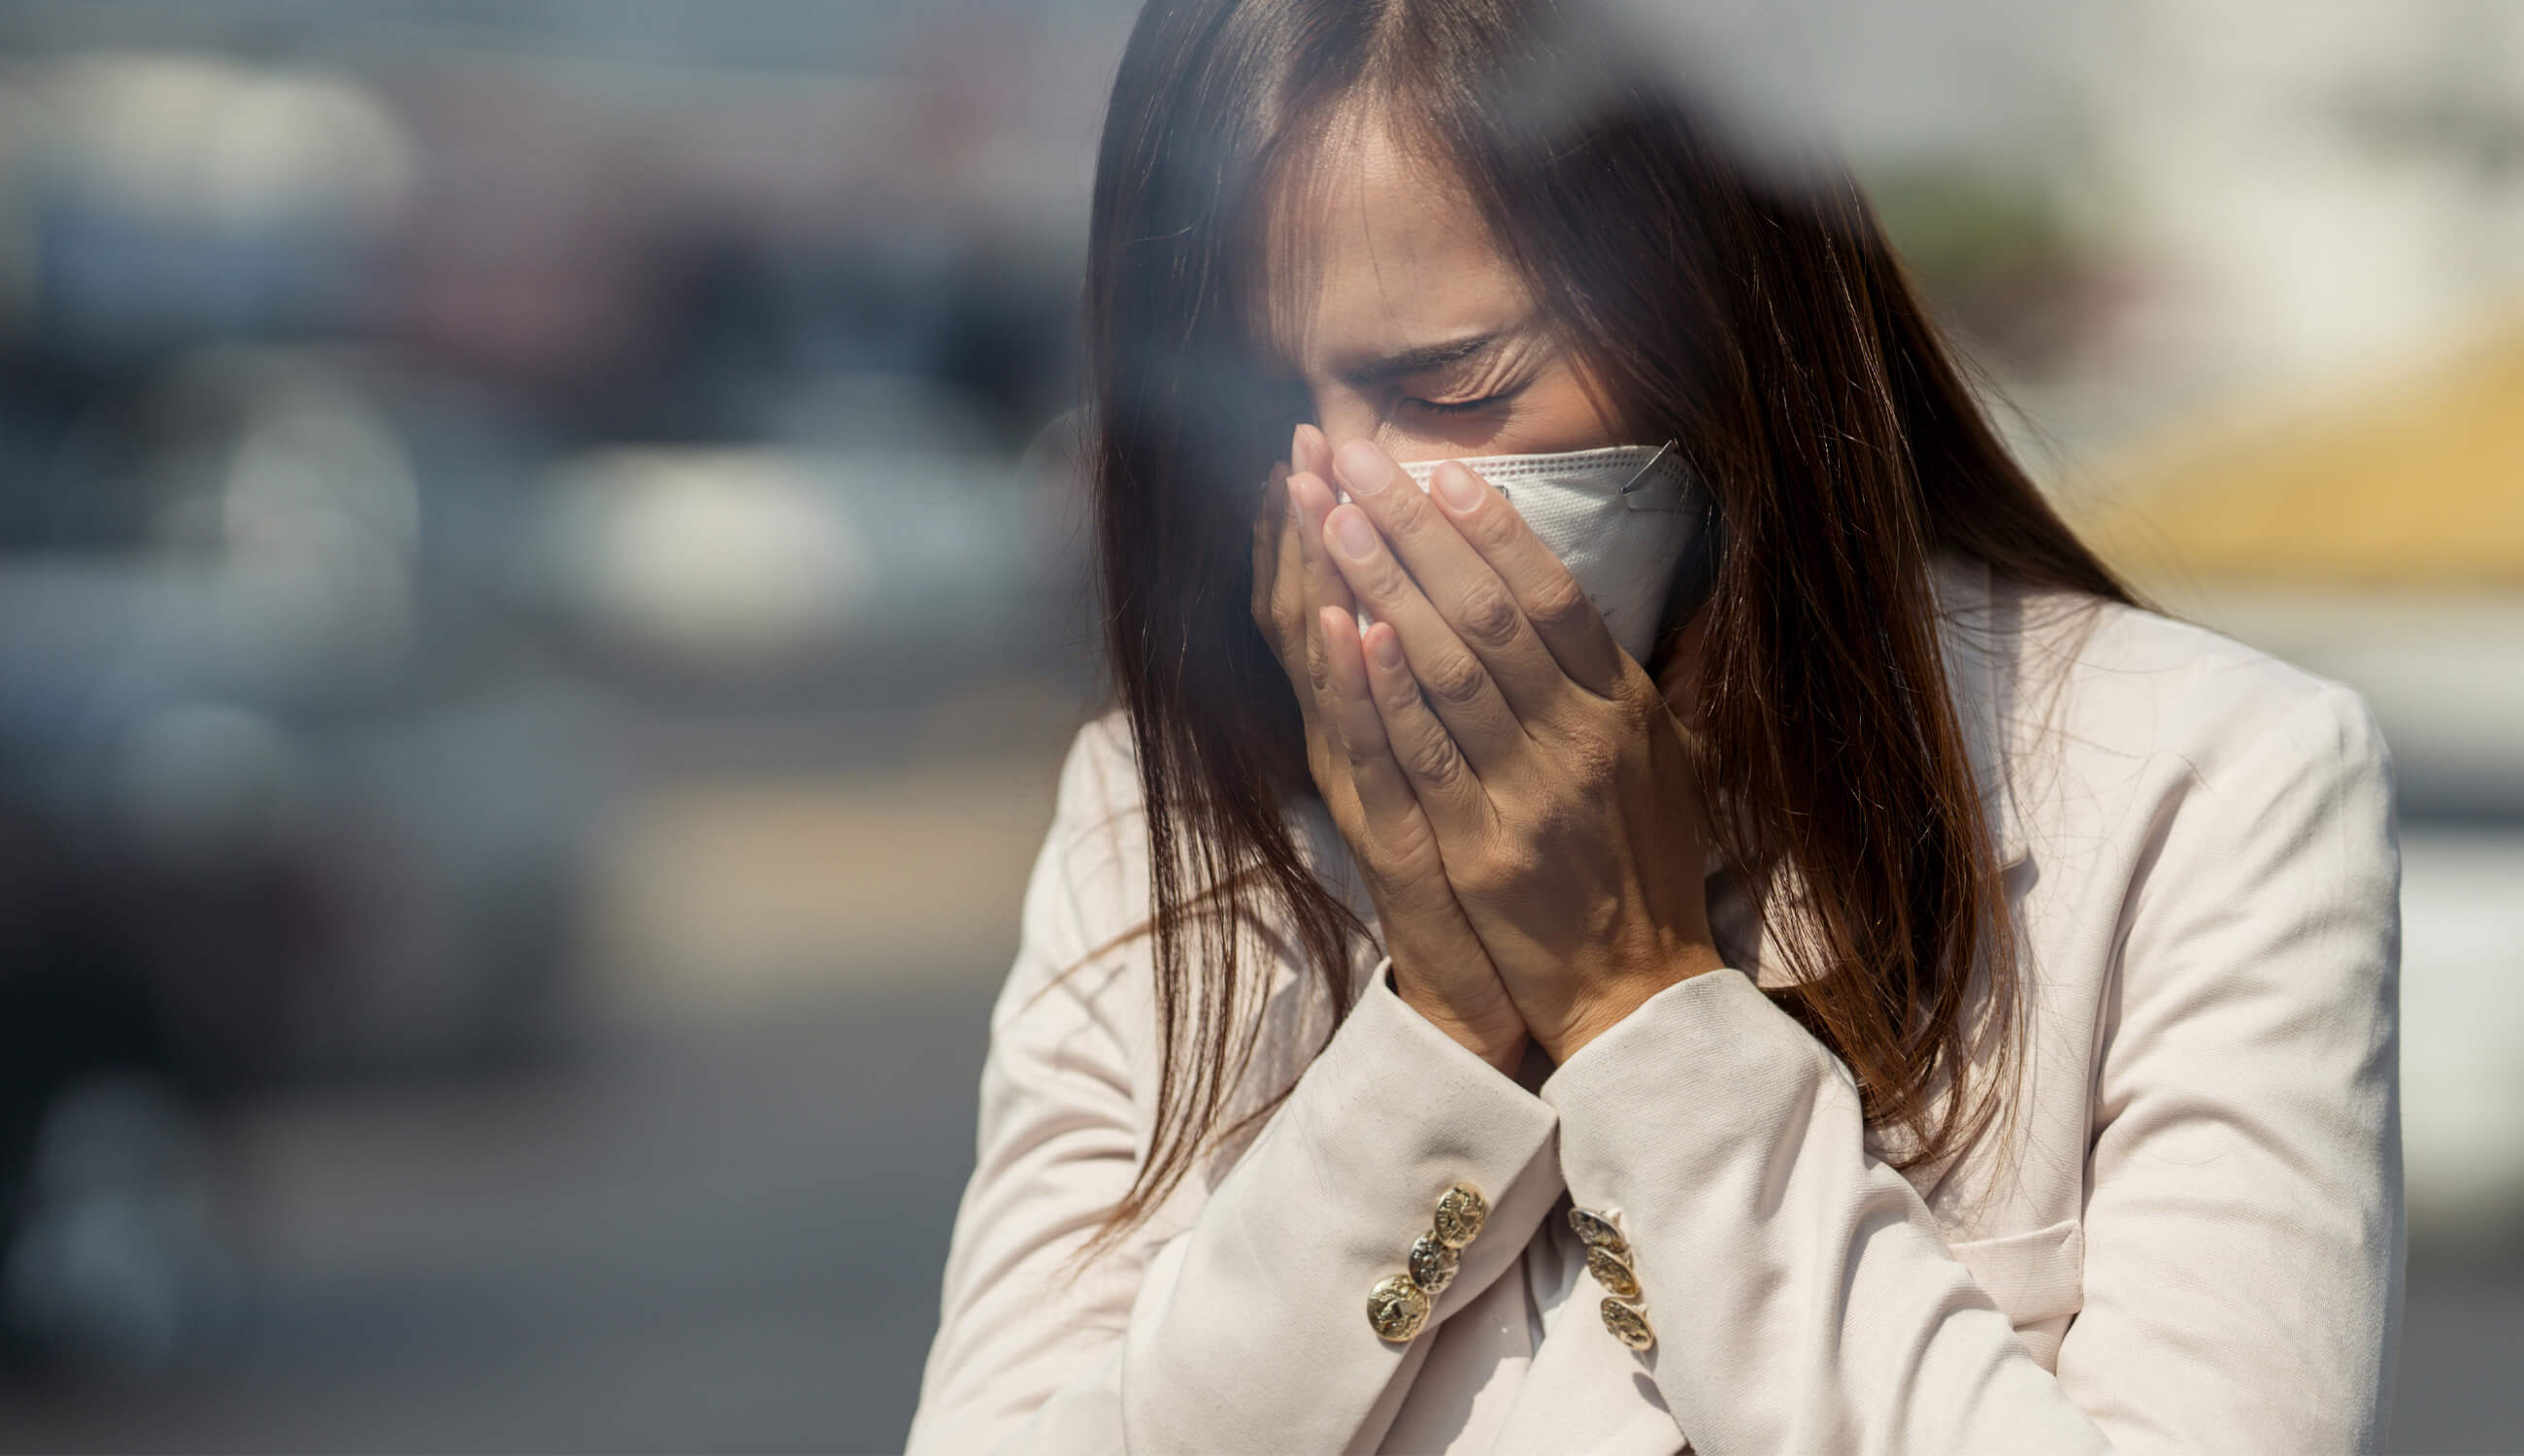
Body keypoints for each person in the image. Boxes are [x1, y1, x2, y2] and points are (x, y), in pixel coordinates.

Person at [906, 1, 2404, 1450]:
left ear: (1721, 321)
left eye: (1448, 382)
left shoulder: (2204, 796)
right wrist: (1437, 1043)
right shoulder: (1167, 825)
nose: (1341, 493)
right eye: (1257, 410)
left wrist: (1634, 1001)